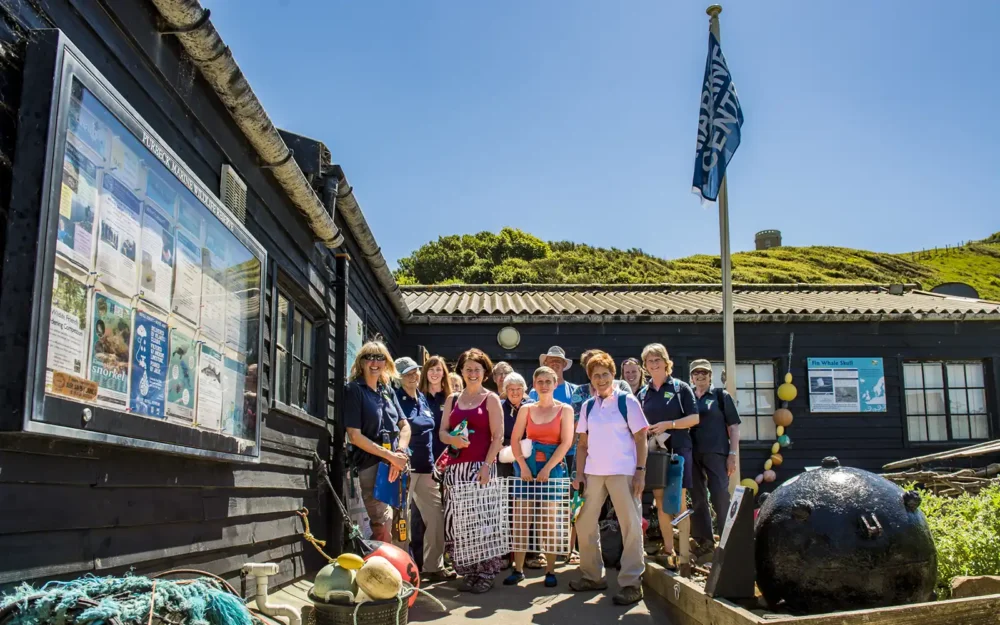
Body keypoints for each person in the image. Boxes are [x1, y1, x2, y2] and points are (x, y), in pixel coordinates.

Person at [569, 351, 649, 606]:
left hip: (623, 472)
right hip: (593, 473)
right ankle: (592, 576)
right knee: (583, 522)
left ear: (613, 375)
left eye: (605, 374)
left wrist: (640, 471)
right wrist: (579, 474)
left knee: (631, 526)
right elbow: (582, 444)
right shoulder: (589, 405)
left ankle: (631, 583)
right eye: (596, 376)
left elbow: (641, 438)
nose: (601, 380)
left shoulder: (627, 401)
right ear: (590, 379)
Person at [439, 348, 505, 594]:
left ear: (485, 372)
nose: (472, 373)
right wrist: (452, 440)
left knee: (482, 521)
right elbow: (442, 432)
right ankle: (469, 570)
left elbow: (498, 437)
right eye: (468, 369)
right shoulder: (452, 399)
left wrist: (488, 465)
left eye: (477, 369)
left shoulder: (491, 399)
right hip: (456, 469)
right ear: (462, 371)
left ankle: (486, 572)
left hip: (481, 468)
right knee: (459, 522)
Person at [504, 366, 576, 588]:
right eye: (540, 381)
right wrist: (523, 466)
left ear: (555, 384)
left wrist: (547, 469)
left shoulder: (565, 409)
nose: (544, 385)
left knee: (549, 521)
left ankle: (550, 571)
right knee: (521, 520)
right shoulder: (526, 409)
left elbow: (566, 442)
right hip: (526, 465)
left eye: (548, 381)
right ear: (534, 384)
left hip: (552, 467)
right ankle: (518, 569)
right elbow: (515, 439)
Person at [394, 357, 456, 582]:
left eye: (415, 372)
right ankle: (400, 571)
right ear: (398, 376)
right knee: (403, 520)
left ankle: (433, 565)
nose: (413, 376)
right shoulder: (396, 399)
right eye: (407, 373)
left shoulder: (421, 398)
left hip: (427, 469)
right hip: (406, 468)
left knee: (437, 517)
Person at [344, 341, 411, 546]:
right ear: (361, 362)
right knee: (382, 524)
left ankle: (401, 571)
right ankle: (380, 571)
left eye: (379, 357)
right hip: (372, 465)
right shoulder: (354, 390)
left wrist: (399, 453)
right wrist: (390, 457)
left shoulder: (387, 390)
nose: (374, 362)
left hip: (396, 464)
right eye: (369, 357)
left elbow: (405, 426)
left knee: (401, 522)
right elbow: (354, 436)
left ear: (386, 362)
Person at [639, 343, 699, 566]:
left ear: (666, 362)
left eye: (657, 359)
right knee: (660, 500)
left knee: (678, 500)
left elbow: (694, 419)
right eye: (649, 361)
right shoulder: (643, 392)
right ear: (645, 366)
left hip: (678, 450)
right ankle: (668, 550)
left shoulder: (680, 388)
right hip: (655, 453)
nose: (654, 364)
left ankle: (684, 552)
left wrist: (669, 425)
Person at [689, 359, 741, 556]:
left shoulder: (721, 396)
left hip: (717, 452)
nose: (700, 376)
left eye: (704, 372)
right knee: (697, 498)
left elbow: (734, 427)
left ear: (710, 375)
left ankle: (728, 542)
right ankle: (705, 541)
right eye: (696, 373)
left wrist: (733, 454)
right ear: (691, 377)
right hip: (692, 453)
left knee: (720, 496)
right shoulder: (688, 397)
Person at [498, 372, 535, 479]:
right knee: (505, 488)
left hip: (526, 452)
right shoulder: (499, 405)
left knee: (524, 488)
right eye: (511, 389)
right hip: (504, 451)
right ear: (506, 390)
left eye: (518, 389)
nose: (515, 392)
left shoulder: (531, 405)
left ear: (524, 390)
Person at [420, 355, 453, 461]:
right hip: (422, 456)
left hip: (444, 456)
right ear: (425, 372)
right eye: (431, 369)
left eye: (438, 369)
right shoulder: (418, 397)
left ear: (443, 373)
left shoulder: (451, 398)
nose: (435, 373)